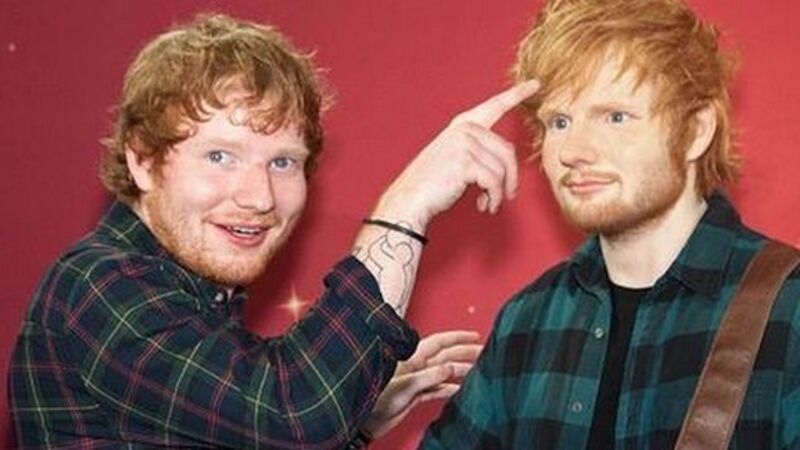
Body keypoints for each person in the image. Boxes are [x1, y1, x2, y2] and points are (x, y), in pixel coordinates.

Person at [7, 14, 538, 449]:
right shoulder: (101, 285)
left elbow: (278, 429)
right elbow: (294, 416)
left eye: (283, 162)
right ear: (143, 161)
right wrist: (406, 208)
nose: (259, 197)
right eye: (220, 156)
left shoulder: (195, 296)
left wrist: (356, 422)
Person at [420, 0, 800, 448]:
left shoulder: (790, 305)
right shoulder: (528, 320)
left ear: (696, 132)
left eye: (615, 117)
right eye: (559, 121)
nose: (573, 151)